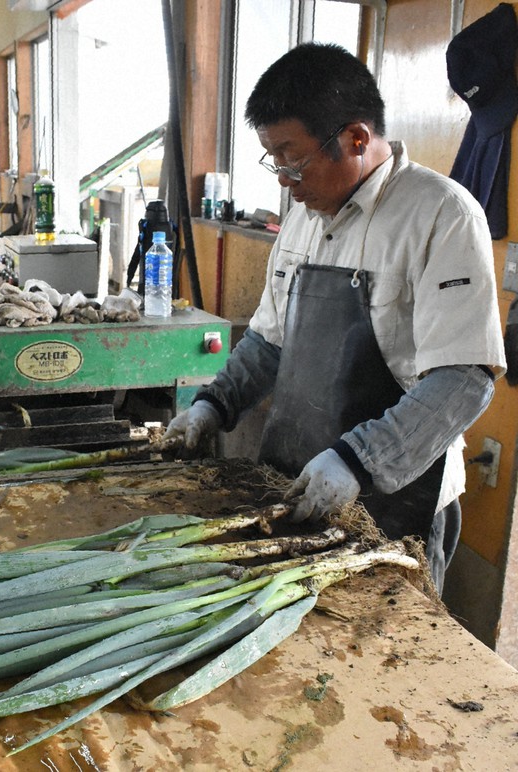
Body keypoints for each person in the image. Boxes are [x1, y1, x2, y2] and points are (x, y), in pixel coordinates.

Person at [164, 43, 506, 593]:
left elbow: (464, 379)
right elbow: (269, 341)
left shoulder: (442, 214)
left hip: (395, 499)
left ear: (356, 138)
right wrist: (213, 404)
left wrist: (356, 461)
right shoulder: (301, 217)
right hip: (296, 484)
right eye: (272, 160)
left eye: (291, 158)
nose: (283, 179)